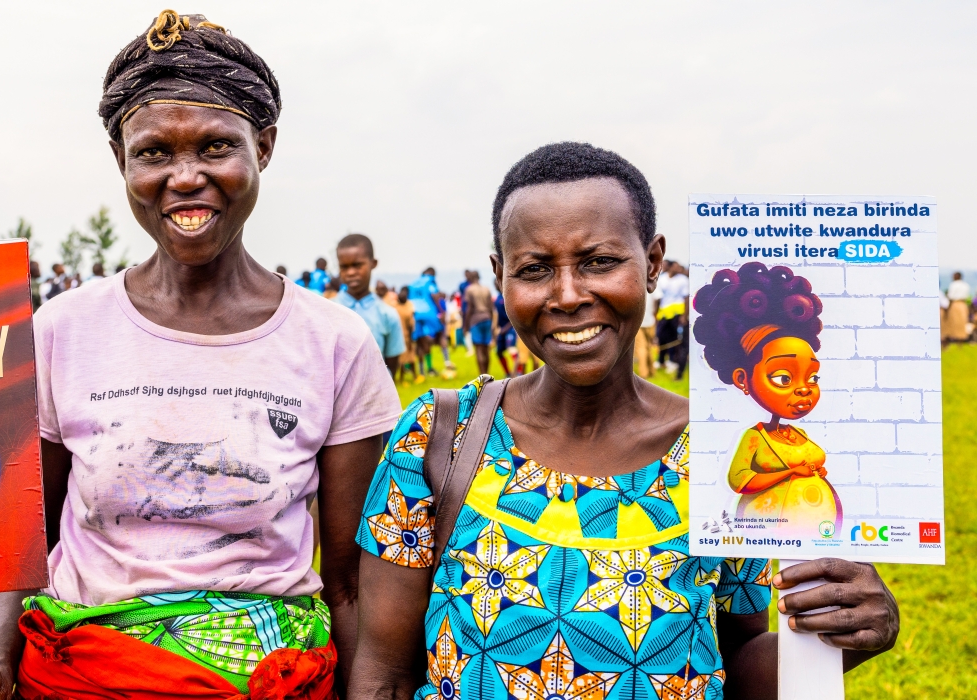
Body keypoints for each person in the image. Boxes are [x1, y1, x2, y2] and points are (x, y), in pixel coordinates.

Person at [0, 13, 402, 700]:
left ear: (264, 146)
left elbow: (347, 583)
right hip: (81, 678)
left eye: (217, 146)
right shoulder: (62, 331)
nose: (186, 177)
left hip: (269, 681)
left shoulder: (334, 343)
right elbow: (25, 538)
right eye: (154, 153)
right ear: (122, 161)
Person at [348, 142, 899, 700]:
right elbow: (383, 674)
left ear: (653, 262)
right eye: (534, 270)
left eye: (600, 262)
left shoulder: (713, 453)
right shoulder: (441, 435)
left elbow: (736, 658)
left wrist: (843, 634)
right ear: (501, 276)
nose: (567, 296)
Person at [692, 262, 841, 536]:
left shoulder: (798, 434)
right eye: (783, 378)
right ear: (742, 379)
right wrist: (790, 472)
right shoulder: (754, 438)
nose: (804, 389)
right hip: (765, 530)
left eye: (812, 377)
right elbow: (739, 481)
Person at [335, 233, 407, 375]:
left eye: (357, 265)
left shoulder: (387, 314)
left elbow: (391, 366)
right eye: (344, 267)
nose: (350, 272)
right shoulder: (327, 310)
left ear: (373, 263)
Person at [655, 259, 690, 378]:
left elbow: (686, 298)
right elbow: (658, 298)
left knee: (676, 339)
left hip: (677, 314)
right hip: (664, 313)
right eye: (676, 266)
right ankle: (661, 360)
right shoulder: (662, 278)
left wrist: (684, 316)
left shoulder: (683, 280)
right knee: (661, 336)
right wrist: (656, 314)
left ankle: (673, 361)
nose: (678, 268)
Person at [408, 267, 446, 376]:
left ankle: (421, 371)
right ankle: (435, 366)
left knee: (419, 342)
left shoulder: (414, 283)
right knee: (439, 335)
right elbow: (434, 295)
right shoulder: (430, 280)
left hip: (414, 314)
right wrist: (442, 311)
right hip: (428, 313)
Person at [463, 270, 495, 375]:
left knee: (479, 348)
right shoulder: (486, 289)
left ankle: (482, 375)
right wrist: (491, 320)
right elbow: (491, 307)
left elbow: (469, 308)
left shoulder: (469, 289)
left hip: (475, 320)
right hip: (487, 318)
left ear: (470, 278)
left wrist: (465, 325)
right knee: (486, 348)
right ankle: (487, 374)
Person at [393, 286, 421, 385]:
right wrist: (410, 340)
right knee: (407, 358)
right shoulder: (406, 309)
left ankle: (404, 378)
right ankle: (404, 378)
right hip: (405, 336)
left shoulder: (395, 307)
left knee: (404, 358)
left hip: (397, 336)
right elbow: (410, 325)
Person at [634, 277, 660, 377]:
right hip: (650, 321)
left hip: (639, 321)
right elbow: (658, 298)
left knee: (641, 347)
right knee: (649, 346)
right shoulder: (653, 282)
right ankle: (652, 371)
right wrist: (655, 312)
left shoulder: (636, 284)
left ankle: (643, 373)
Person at [492, 275, 516, 377]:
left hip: (510, 329)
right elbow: (496, 316)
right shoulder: (497, 298)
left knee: (511, 349)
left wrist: (505, 329)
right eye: (494, 284)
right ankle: (507, 373)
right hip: (501, 330)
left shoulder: (508, 297)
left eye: (497, 283)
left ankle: (518, 372)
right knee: (499, 352)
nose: (495, 286)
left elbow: (514, 316)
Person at [943, 271, 971, 343]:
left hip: (955, 304)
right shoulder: (966, 285)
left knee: (953, 321)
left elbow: (950, 296)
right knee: (962, 321)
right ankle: (961, 339)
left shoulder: (953, 284)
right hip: (963, 304)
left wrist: (948, 307)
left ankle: (953, 338)